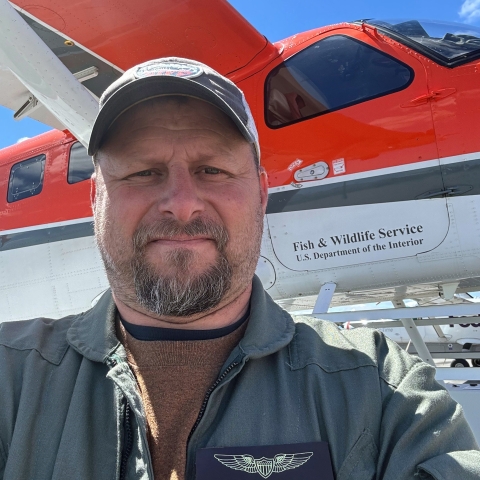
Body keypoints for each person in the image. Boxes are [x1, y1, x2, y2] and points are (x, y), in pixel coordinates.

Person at [0, 57, 479, 480]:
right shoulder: (8, 378)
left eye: (214, 170)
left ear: (262, 194)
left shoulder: (385, 388)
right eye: (143, 172)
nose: (182, 204)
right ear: (95, 199)